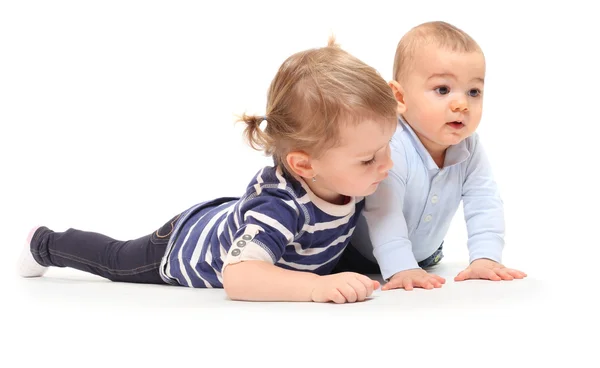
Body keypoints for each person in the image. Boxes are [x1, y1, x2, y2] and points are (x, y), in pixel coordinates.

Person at [17, 37, 399, 303]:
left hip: (231, 216)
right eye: (369, 158)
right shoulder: (281, 208)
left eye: (387, 147)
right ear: (304, 164)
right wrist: (314, 287)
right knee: (116, 259)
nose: (387, 165)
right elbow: (239, 278)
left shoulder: (346, 176)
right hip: (182, 247)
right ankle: (45, 244)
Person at [335, 21, 527, 291]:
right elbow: (383, 212)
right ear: (399, 96)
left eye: (474, 91)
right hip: (357, 256)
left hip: (425, 256)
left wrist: (486, 257)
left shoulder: (469, 146)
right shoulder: (392, 144)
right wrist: (402, 267)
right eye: (443, 90)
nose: (462, 104)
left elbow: (484, 201)